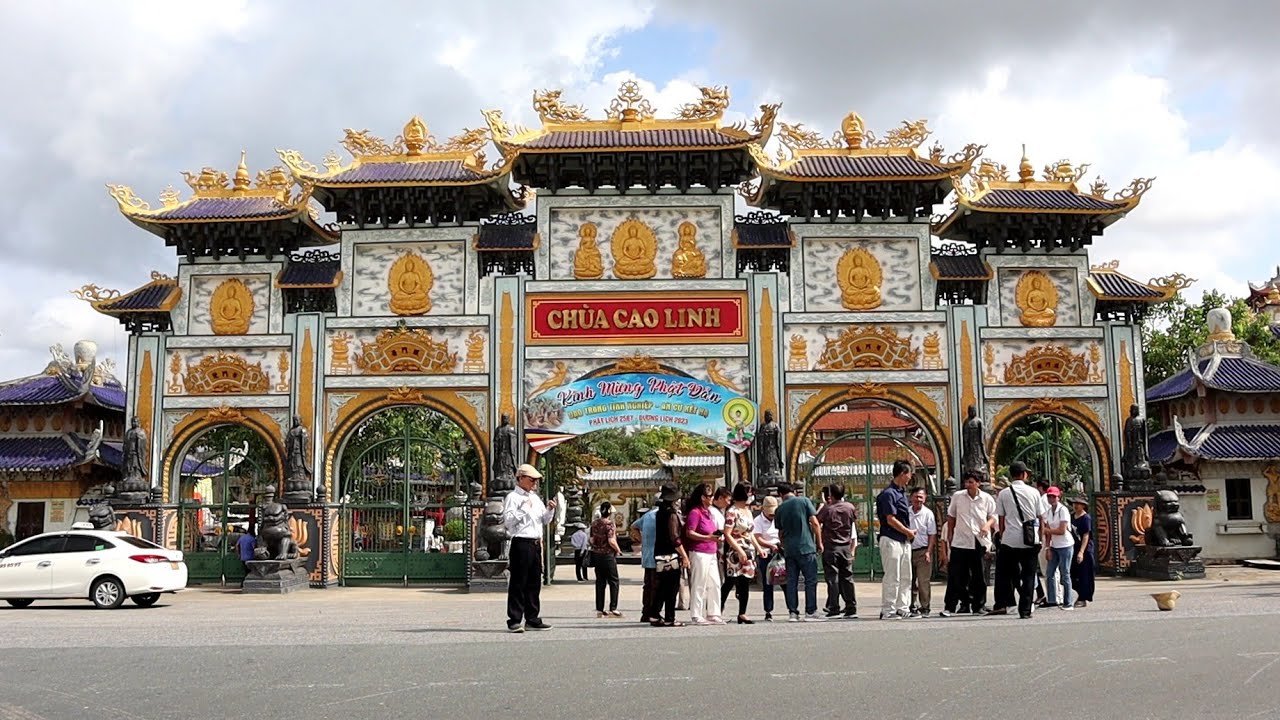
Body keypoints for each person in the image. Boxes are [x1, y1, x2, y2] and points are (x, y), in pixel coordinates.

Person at [501, 463, 556, 633]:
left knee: (534, 582)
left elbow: (543, 520)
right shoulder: (513, 497)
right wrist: (524, 508)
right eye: (531, 479)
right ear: (521, 478)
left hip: (535, 542)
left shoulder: (535, 497)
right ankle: (514, 619)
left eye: (536, 480)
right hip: (521, 542)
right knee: (518, 582)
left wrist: (550, 510)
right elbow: (509, 523)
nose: (534, 483)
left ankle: (532, 618)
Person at [940, 470, 997, 617]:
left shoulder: (986, 498)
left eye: (971, 482)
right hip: (961, 540)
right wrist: (950, 535)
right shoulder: (958, 497)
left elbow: (993, 516)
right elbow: (951, 516)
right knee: (956, 575)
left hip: (979, 540)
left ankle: (979, 605)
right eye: (966, 482)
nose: (968, 485)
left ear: (978, 483)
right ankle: (951, 606)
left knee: (979, 575)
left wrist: (987, 525)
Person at [993, 461, 1043, 619]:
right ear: (1023, 475)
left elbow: (1001, 519)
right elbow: (1041, 517)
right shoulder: (1034, 492)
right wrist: (1040, 537)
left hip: (1010, 540)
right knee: (1029, 575)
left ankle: (1010, 602)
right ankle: (1026, 609)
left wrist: (1002, 535)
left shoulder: (1004, 493)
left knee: (1009, 573)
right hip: (1030, 539)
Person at [774, 483, 825, 622]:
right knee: (810, 580)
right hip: (806, 547)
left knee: (791, 581)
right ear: (794, 492)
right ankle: (810, 610)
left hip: (790, 550)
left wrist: (784, 545)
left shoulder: (779, 509)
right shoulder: (804, 501)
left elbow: (780, 533)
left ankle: (793, 612)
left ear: (780, 495)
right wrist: (819, 542)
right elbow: (814, 523)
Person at [877, 460, 915, 620]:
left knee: (906, 576)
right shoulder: (888, 494)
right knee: (893, 576)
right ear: (902, 474)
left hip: (904, 540)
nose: (910, 477)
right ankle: (888, 609)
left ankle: (902, 607)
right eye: (909, 474)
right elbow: (890, 519)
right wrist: (908, 531)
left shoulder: (901, 493)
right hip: (891, 538)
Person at [647, 484, 690, 627]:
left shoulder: (659, 512)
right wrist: (684, 555)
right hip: (670, 554)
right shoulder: (671, 514)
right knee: (672, 586)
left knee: (661, 585)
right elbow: (674, 537)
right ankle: (669, 617)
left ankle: (654, 614)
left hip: (659, 552)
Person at [684, 483, 725, 625]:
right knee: (699, 583)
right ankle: (696, 613)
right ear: (702, 497)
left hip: (711, 550)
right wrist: (707, 538)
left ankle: (713, 612)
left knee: (715, 583)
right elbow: (690, 532)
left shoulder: (709, 512)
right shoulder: (695, 512)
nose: (712, 498)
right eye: (710, 496)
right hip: (699, 551)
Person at [816, 482, 858, 618]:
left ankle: (834, 606)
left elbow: (816, 521)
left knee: (832, 578)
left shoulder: (828, 509)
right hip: (845, 546)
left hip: (831, 546)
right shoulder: (850, 507)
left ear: (831, 495)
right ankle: (851, 606)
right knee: (847, 577)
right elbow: (852, 521)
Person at [720, 483, 760, 624]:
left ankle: (742, 612)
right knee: (730, 581)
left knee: (745, 581)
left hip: (748, 549)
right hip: (735, 549)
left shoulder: (747, 511)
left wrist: (758, 548)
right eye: (749, 493)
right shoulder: (732, 511)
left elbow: (750, 533)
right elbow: (727, 533)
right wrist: (739, 549)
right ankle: (718, 608)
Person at [1041, 486, 1074, 610]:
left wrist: (1046, 530)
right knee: (1049, 573)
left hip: (1065, 545)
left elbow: (1062, 530)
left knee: (1065, 573)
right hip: (1054, 545)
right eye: (1049, 496)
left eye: (1053, 496)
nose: (1051, 499)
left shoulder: (1063, 510)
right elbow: (1048, 532)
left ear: (1058, 497)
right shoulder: (1049, 512)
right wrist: (1047, 548)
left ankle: (1068, 602)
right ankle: (1052, 599)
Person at [907, 486, 937, 618]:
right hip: (908, 550)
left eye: (921, 497)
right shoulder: (906, 512)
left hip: (923, 551)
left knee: (923, 581)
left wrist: (929, 552)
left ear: (924, 498)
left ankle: (925, 606)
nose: (918, 499)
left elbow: (932, 535)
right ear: (911, 498)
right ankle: (910, 605)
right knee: (909, 580)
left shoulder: (928, 514)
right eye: (916, 497)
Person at [590, 502, 623, 618]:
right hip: (608, 555)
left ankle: (600, 608)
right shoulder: (610, 524)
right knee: (614, 581)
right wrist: (618, 550)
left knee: (600, 581)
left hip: (597, 555)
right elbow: (611, 540)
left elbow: (591, 540)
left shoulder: (594, 524)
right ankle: (613, 607)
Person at [753, 495, 782, 621]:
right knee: (767, 583)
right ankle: (768, 610)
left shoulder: (779, 518)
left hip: (780, 551)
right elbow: (757, 538)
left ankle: (792, 608)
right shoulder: (758, 521)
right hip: (766, 552)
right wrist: (770, 545)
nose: (772, 516)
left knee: (785, 581)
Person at [630, 501, 658, 622]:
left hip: (647, 556)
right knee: (657, 586)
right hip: (658, 556)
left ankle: (645, 612)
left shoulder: (647, 515)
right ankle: (654, 612)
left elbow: (633, 526)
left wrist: (641, 540)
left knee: (648, 586)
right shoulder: (662, 514)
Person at [1069, 495, 1095, 608]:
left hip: (1084, 548)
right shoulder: (1071, 516)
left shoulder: (1086, 518)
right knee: (1072, 573)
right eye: (1074, 503)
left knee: (1084, 574)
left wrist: (1081, 552)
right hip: (1072, 547)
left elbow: (1086, 535)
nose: (1075, 506)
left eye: (1078, 504)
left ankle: (1083, 597)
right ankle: (1078, 592)